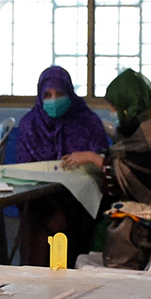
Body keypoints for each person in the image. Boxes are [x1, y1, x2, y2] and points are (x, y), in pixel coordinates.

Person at [73, 68, 151, 268]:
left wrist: (94, 159)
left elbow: (131, 168)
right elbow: (131, 156)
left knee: (99, 220)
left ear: (127, 104)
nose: (112, 111)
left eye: (114, 106)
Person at [9, 65, 112, 264]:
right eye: (48, 94)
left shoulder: (87, 122)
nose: (54, 100)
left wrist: (87, 158)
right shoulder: (30, 124)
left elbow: (101, 163)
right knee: (37, 211)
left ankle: (70, 271)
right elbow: (23, 168)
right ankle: (35, 277)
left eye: (60, 93)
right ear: (40, 96)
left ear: (70, 93)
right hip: (40, 196)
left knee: (69, 215)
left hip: (78, 197)